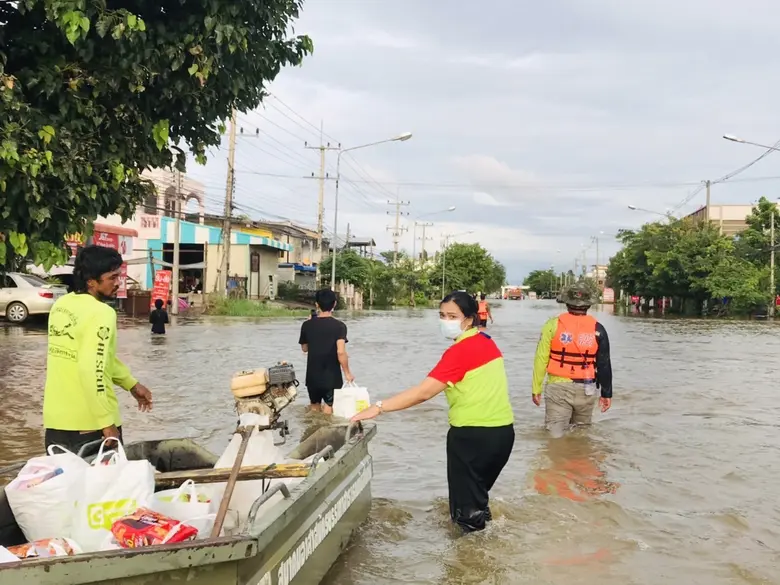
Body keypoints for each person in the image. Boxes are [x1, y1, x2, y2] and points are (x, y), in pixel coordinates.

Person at [352, 291, 514, 533]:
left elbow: (424, 392)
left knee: (465, 515)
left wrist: (378, 408)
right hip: (502, 436)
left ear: (468, 319)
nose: (445, 321)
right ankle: (489, 548)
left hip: (471, 438)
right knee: (477, 500)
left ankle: (468, 565)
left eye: (452, 316)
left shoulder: (460, 351)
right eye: (441, 315)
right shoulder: (487, 342)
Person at [43, 245, 153, 452]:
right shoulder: (102, 313)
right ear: (91, 282)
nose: (117, 283)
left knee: (64, 484)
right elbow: (92, 369)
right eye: (112, 278)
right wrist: (106, 423)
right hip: (90, 426)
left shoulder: (61, 305)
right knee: (108, 484)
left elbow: (99, 358)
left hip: (56, 424)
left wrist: (131, 384)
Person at [531, 282, 612, 438]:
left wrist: (536, 388)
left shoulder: (551, 325)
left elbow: (541, 358)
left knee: (554, 436)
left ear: (566, 303)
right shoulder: (598, 329)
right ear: (588, 304)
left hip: (558, 388)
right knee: (581, 436)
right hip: (586, 390)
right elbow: (604, 364)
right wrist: (606, 393)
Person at [298, 289, 354, 414]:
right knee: (329, 408)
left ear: (317, 304)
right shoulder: (340, 326)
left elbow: (304, 348)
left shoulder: (307, 325)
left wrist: (310, 323)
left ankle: (313, 431)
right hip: (331, 378)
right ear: (334, 304)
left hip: (312, 377)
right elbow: (340, 352)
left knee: (314, 408)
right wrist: (348, 373)